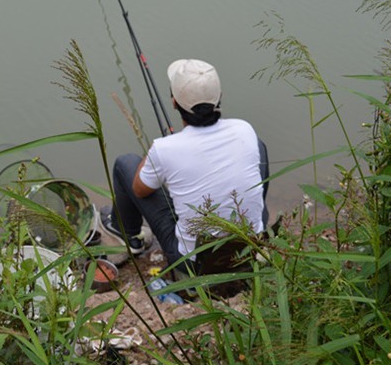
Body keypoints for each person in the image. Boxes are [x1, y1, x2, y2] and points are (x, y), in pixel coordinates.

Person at [100, 58, 268, 276]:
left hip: (195, 263)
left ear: (173, 102)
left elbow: (140, 190)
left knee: (125, 164)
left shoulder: (164, 148)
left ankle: (128, 234)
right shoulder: (244, 130)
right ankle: (254, 222)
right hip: (247, 249)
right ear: (219, 98)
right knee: (259, 147)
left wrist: (154, 153)